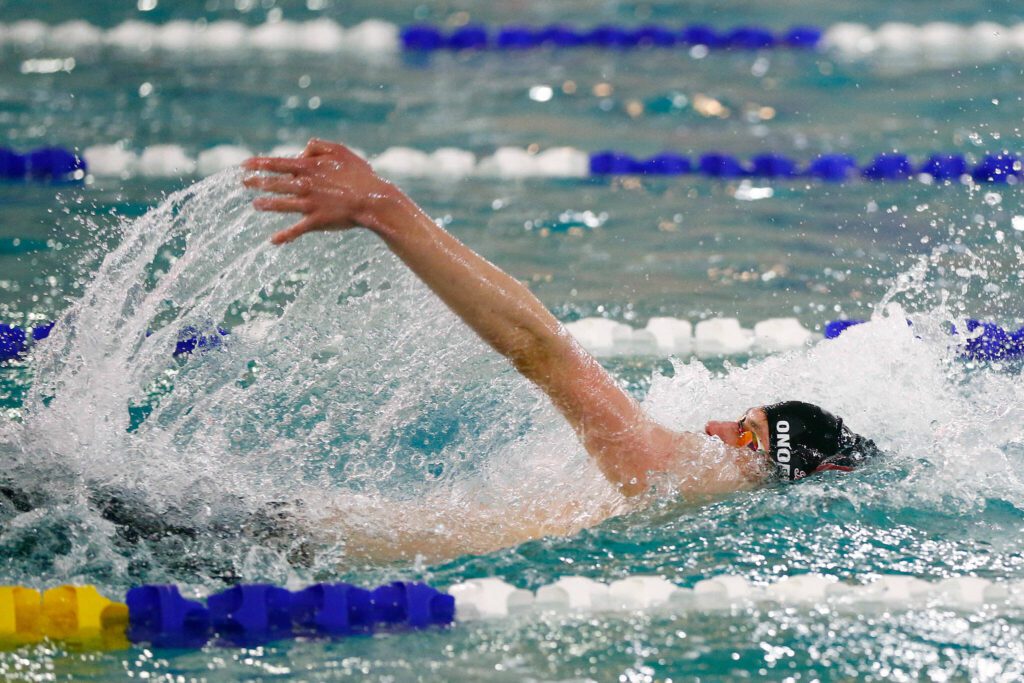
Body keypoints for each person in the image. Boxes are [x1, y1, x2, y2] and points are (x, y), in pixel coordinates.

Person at [242, 139, 878, 560]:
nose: (714, 426)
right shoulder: (682, 513)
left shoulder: (664, 477)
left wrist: (385, 209)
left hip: (284, 541)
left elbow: (538, 346)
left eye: (744, 434)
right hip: (305, 534)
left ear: (776, 474)